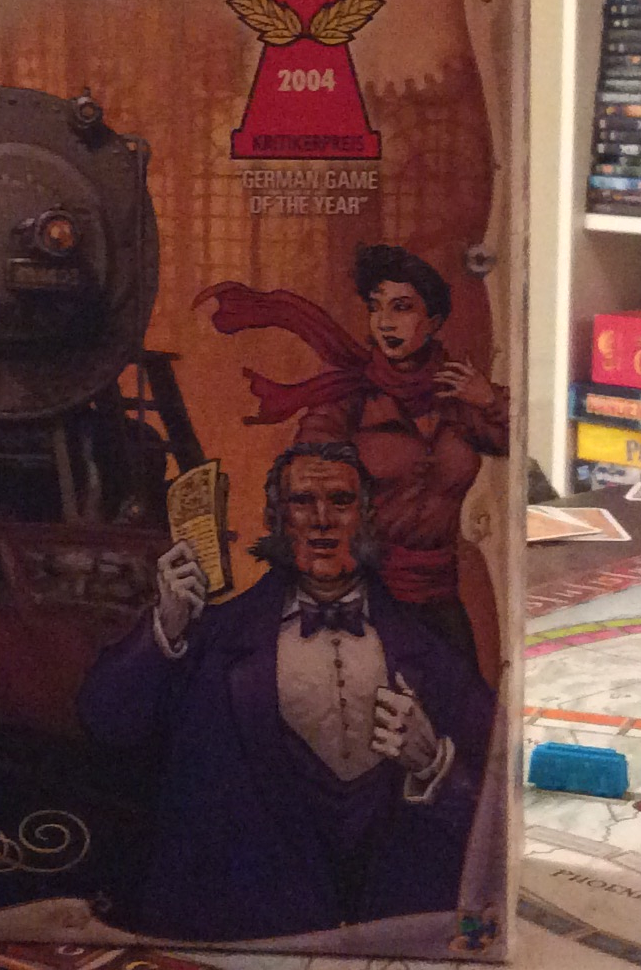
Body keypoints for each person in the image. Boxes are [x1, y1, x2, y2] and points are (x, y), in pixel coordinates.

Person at [76, 441, 493, 943]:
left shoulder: (429, 648)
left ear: (366, 518)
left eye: (340, 501)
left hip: (393, 939)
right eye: (302, 502)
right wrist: (164, 626)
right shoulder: (215, 637)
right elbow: (106, 722)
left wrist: (434, 765)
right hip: (242, 933)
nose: (322, 520)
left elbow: (497, 808)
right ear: (276, 519)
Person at [198, 245, 509, 675]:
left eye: (402, 308)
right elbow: (305, 473)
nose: (385, 322)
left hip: (441, 597)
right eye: (376, 308)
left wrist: (489, 400)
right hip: (364, 598)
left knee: (462, 703)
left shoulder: (459, 396)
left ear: (435, 321)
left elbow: (518, 445)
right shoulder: (348, 399)